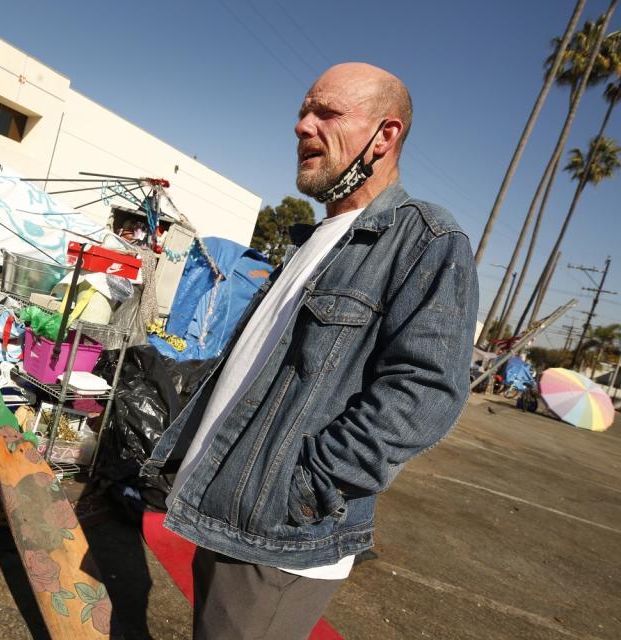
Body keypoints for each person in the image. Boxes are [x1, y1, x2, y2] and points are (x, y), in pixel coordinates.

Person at [141, 62, 478, 638]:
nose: (302, 126)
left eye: (327, 112)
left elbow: (425, 391)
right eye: (303, 110)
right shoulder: (314, 239)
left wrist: (302, 486)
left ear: (386, 134)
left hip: (278, 540)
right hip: (226, 508)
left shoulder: (425, 240)